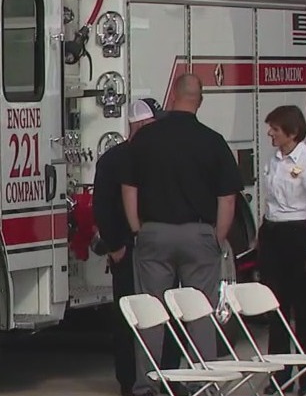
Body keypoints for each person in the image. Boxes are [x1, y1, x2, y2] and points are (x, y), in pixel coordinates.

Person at [121, 74, 242, 396]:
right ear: (199, 101)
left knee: (150, 314)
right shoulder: (213, 141)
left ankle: (147, 385)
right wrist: (217, 237)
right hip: (199, 234)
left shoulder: (145, 139)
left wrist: (137, 228)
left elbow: (129, 188)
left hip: (153, 233)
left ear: (172, 96)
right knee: (199, 313)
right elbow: (228, 198)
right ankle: (202, 383)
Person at [93, 98, 166, 396]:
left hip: (144, 245)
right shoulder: (118, 159)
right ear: (141, 124)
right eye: (154, 123)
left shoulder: (118, 157)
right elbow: (103, 206)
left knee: (147, 314)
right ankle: (131, 378)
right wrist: (114, 246)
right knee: (131, 315)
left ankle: (140, 379)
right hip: (129, 247)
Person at [256, 105, 306, 395]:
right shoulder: (274, 160)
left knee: (305, 311)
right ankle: (279, 378)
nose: (270, 134)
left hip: (299, 235)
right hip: (274, 234)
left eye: (275, 129)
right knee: (276, 309)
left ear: (292, 132)